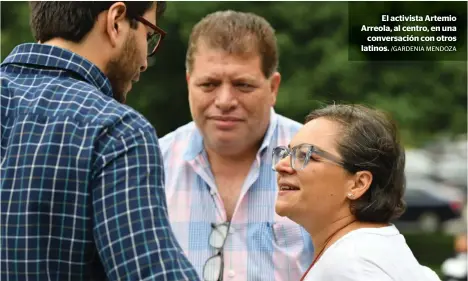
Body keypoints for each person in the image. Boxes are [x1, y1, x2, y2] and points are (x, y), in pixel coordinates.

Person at [0, 2, 199, 280]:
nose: (144, 61)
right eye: (149, 35)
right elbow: (150, 273)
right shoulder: (117, 131)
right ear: (116, 21)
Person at [159, 10, 313, 281]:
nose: (225, 100)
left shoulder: (315, 162)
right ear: (188, 84)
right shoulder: (153, 164)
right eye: (209, 84)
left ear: (273, 88)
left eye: (242, 85)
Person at [272, 104, 441, 281]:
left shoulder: (353, 265)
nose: (281, 165)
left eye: (306, 155)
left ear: (358, 184)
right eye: (288, 153)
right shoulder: (366, 252)